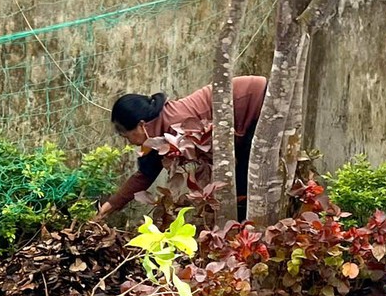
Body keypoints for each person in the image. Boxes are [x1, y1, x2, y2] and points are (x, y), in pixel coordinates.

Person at [96, 76, 267, 217]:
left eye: (127, 136)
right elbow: (145, 174)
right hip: (244, 110)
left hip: (257, 100)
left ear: (141, 125)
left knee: (246, 181)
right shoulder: (157, 130)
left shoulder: (175, 125)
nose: (130, 142)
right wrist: (110, 206)